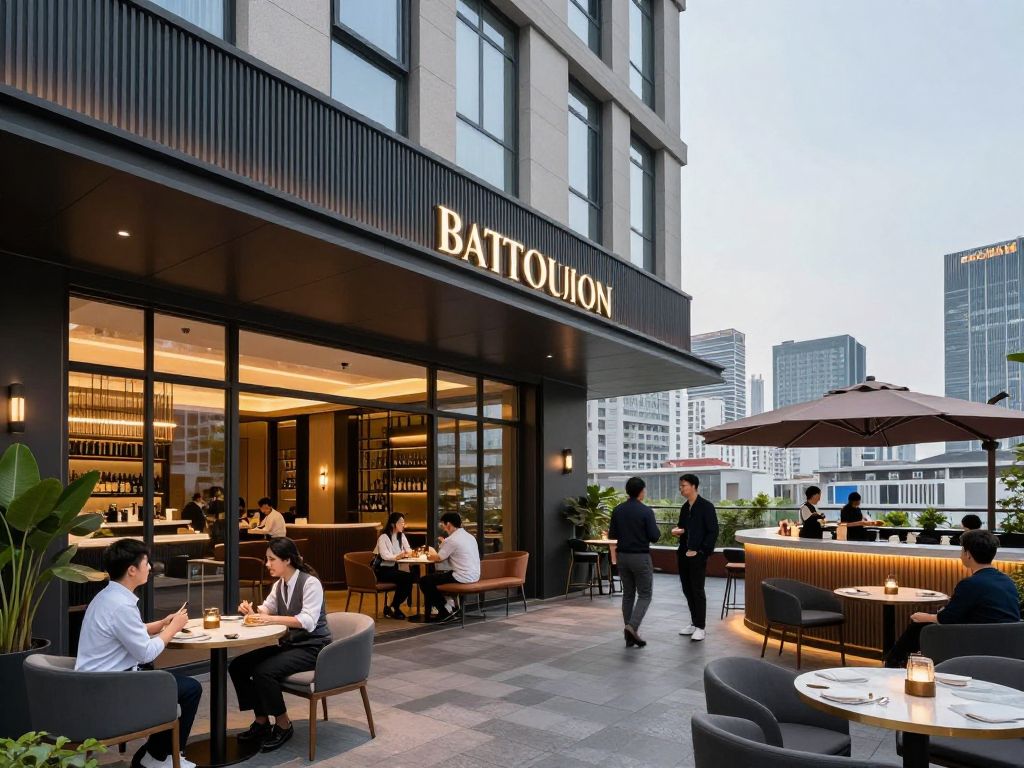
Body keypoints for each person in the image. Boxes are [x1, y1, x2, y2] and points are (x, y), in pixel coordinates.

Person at [76, 539, 198, 768]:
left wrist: (161, 623)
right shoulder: (121, 605)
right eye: (146, 562)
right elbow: (145, 653)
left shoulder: (107, 597)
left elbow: (131, 630)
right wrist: (173, 628)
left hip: (95, 683)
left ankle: (157, 753)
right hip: (110, 689)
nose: (150, 567)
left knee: (168, 682)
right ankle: (158, 757)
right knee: (190, 689)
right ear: (132, 570)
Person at [230, 537, 331, 752]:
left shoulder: (310, 583)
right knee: (238, 665)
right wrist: (252, 612)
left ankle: (284, 725)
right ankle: (261, 722)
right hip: (291, 646)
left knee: (263, 672)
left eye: (271, 559)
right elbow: (266, 609)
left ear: (287, 560)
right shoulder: (280, 585)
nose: (267, 564)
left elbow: (308, 621)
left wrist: (270, 619)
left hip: (314, 648)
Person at [884, 530, 1021, 668]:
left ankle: (892, 663)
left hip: (976, 640)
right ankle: (895, 662)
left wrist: (924, 616)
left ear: (967, 554)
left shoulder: (970, 584)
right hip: (1007, 642)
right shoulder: (1007, 580)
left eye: (962, 550)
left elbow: (946, 618)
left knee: (919, 624)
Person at [609, 477, 662, 648]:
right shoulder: (646, 511)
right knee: (645, 595)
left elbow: (612, 535)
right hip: (640, 557)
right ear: (641, 492)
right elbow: (654, 536)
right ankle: (632, 627)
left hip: (622, 557)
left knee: (628, 594)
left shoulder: (618, 510)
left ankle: (629, 636)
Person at [672, 473, 719, 642]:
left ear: (693, 486)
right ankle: (693, 622)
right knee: (687, 589)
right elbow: (684, 528)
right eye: (680, 486)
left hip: (697, 555)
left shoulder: (706, 506)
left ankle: (701, 626)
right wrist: (679, 531)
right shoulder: (685, 507)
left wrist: (702, 552)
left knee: (697, 590)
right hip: (683, 553)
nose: (681, 489)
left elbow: (713, 531)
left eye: (683, 485)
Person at [421, 512, 480, 622]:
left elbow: (439, 557)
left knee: (425, 581)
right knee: (434, 579)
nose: (443, 528)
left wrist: (426, 556)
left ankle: (445, 610)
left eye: (443, 525)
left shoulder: (451, 539)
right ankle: (449, 605)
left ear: (448, 524)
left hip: (461, 577)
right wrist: (445, 544)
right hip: (475, 575)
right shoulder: (470, 537)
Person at [374, 512, 415, 619]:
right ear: (393, 524)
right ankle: (394, 607)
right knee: (407, 578)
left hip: (394, 569)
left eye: (403, 522)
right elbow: (384, 555)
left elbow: (408, 549)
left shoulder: (401, 536)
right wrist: (397, 557)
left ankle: (393, 607)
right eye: (400, 522)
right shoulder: (383, 537)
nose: (403, 525)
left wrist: (410, 553)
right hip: (383, 571)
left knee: (409, 578)